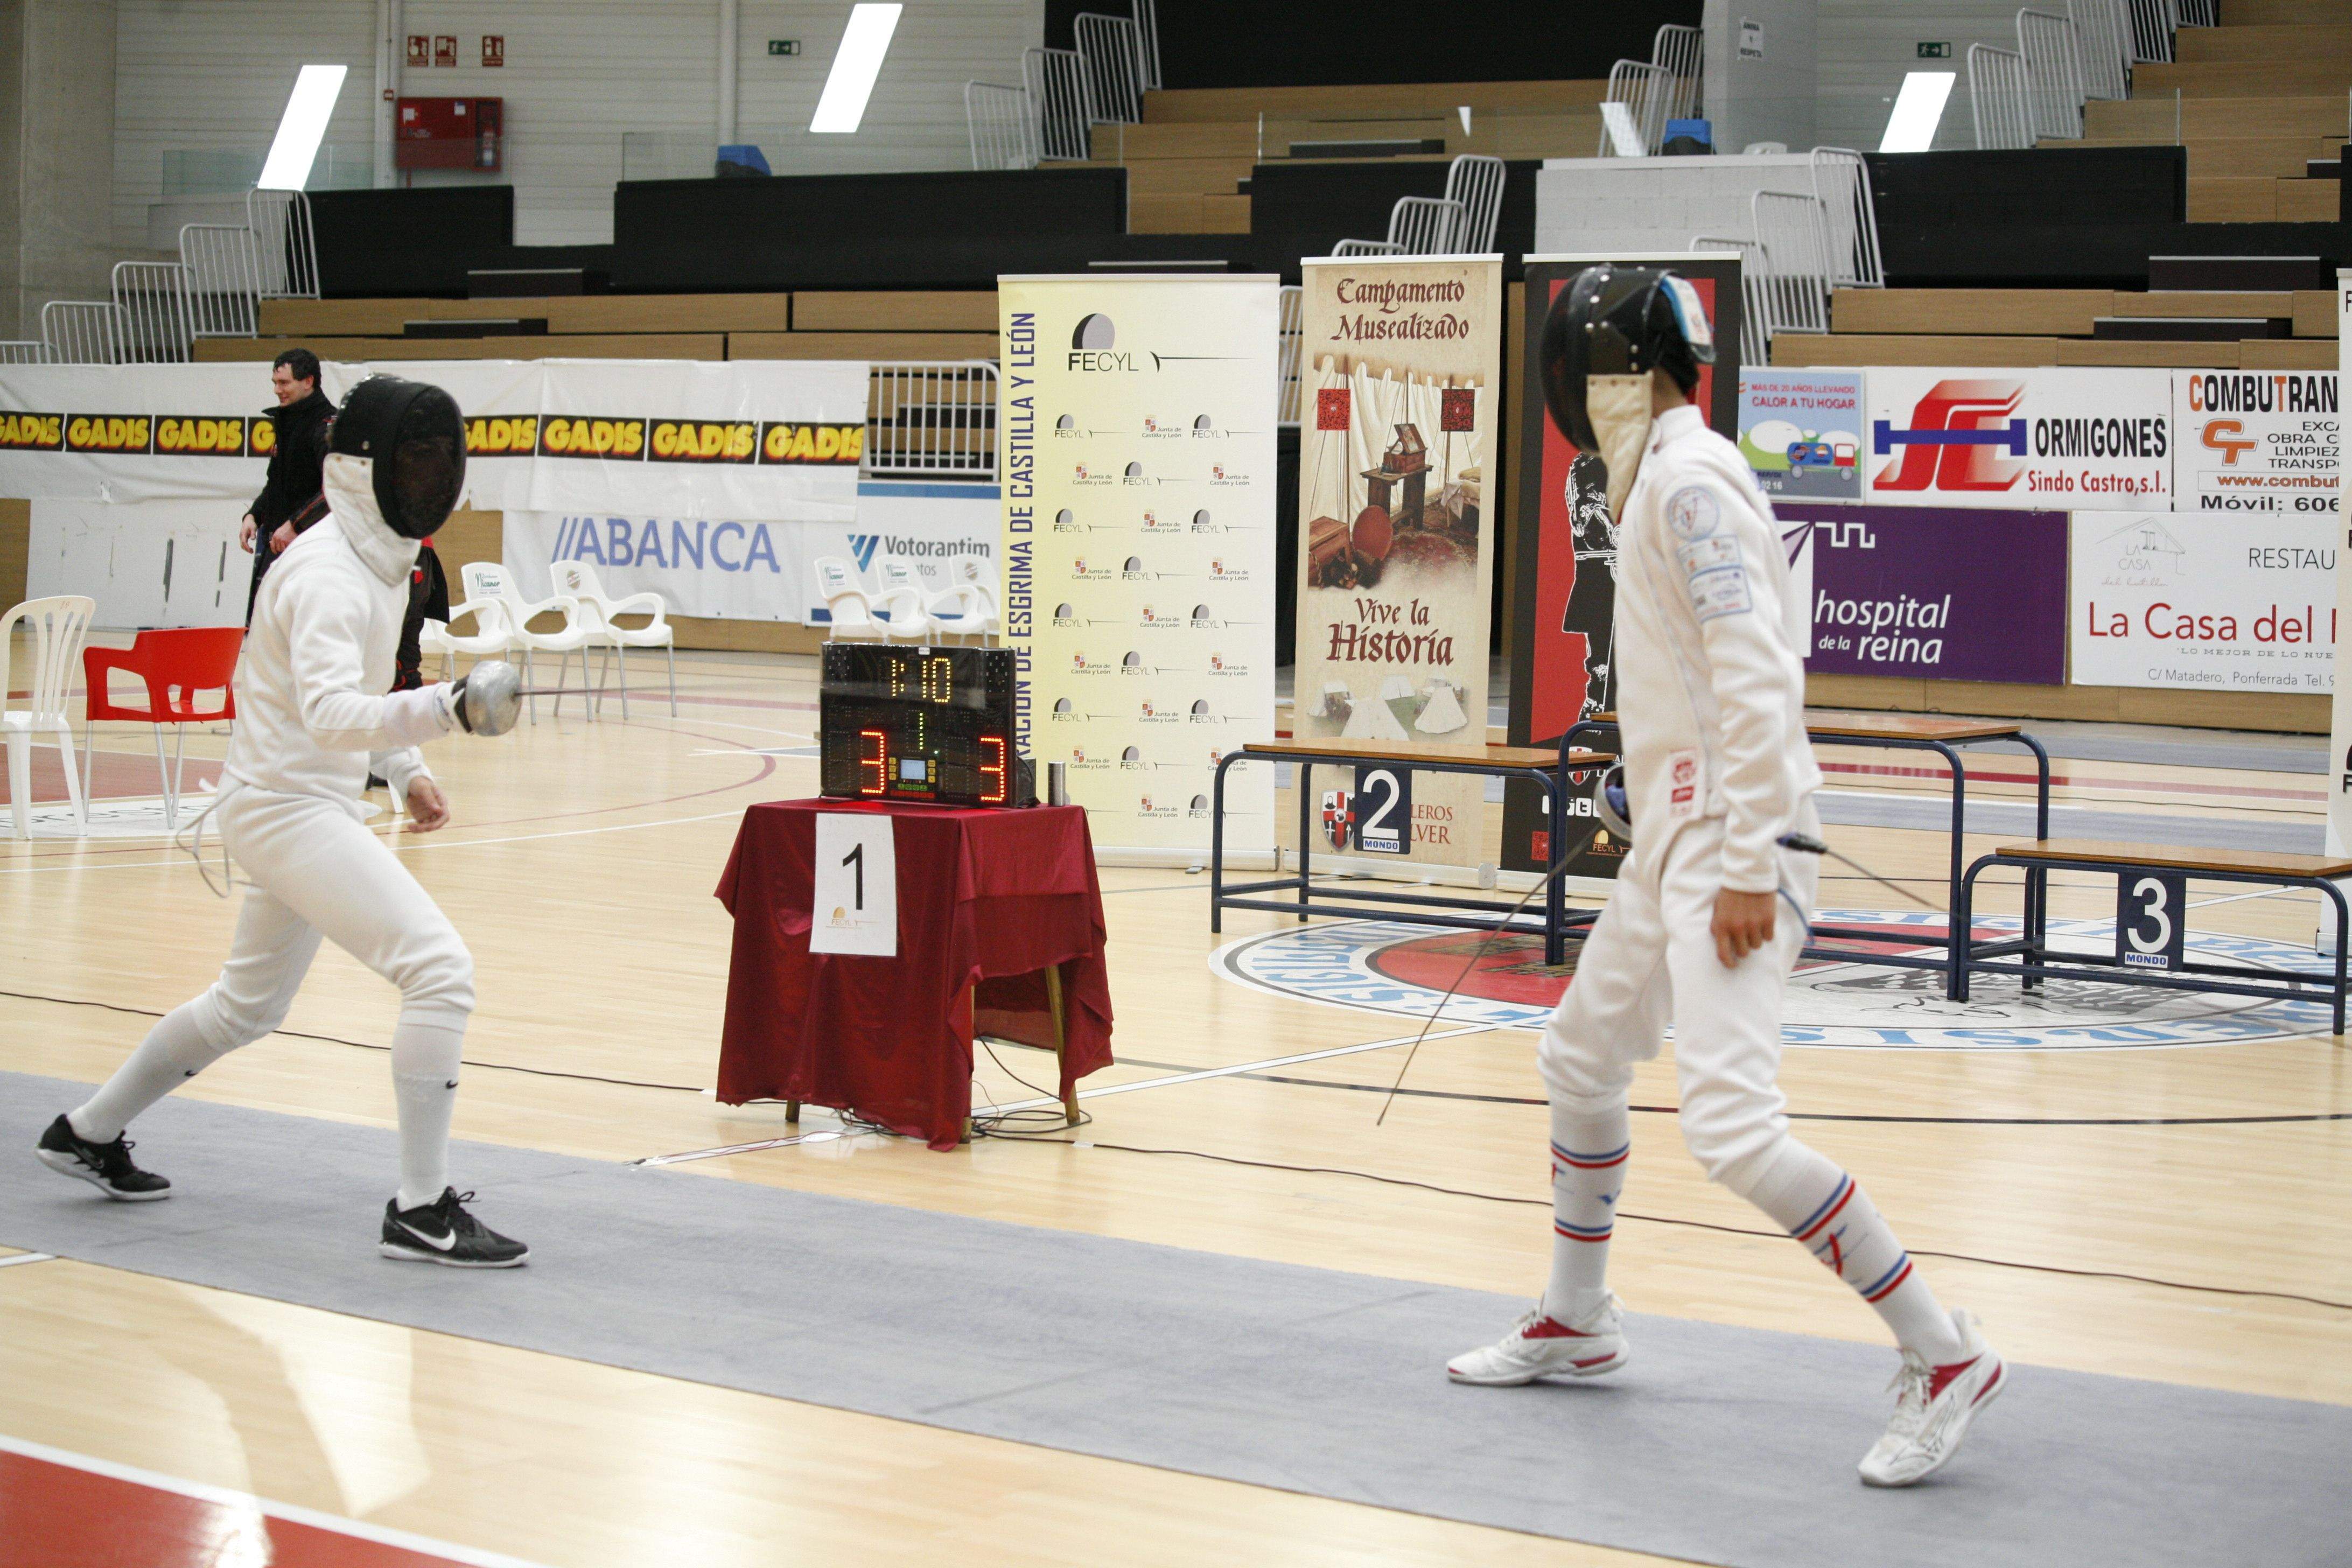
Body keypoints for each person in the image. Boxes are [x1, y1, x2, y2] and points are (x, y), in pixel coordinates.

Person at [1446, 268, 2004, 1487]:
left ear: (1614, 374)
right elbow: (1696, 687)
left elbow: (1757, 677)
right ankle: (1578, 1318)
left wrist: (1748, 858)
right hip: (1680, 840)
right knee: (1581, 1057)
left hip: (1738, 847)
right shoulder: (1655, 479)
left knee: (1735, 1131)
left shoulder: (1690, 485)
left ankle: (1945, 1352)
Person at [37, 375, 532, 1268]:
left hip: (301, 801)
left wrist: (407, 768)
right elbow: (331, 715)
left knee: (244, 1006)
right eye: (412, 459)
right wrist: (447, 709)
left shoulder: (383, 560)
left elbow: (364, 686)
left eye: (436, 459)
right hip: (285, 808)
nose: (428, 476)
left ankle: (87, 1129)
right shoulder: (326, 574)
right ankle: (419, 1208)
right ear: (363, 469)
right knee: (439, 970)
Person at [241, 348, 335, 624]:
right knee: (264, 628)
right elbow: (277, 482)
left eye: (284, 383)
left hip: (312, 545)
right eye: (274, 383)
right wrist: (254, 514)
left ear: (308, 382)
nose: (277, 390)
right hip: (278, 540)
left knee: (299, 629)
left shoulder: (327, 425)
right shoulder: (287, 420)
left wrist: (295, 525)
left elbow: (335, 489)